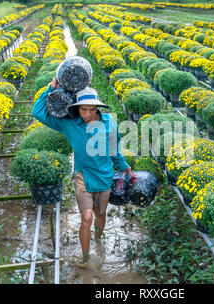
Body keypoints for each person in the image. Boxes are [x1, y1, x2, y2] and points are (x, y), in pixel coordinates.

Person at [32, 76, 132, 267]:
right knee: (87, 216)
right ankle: (86, 257)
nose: (87, 113)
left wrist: (124, 165)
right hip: (83, 177)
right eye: (83, 109)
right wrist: (51, 87)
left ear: (97, 109)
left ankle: (98, 239)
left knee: (101, 214)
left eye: (92, 109)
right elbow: (37, 112)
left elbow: (114, 150)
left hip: (104, 176)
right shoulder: (68, 124)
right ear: (76, 108)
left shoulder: (109, 123)